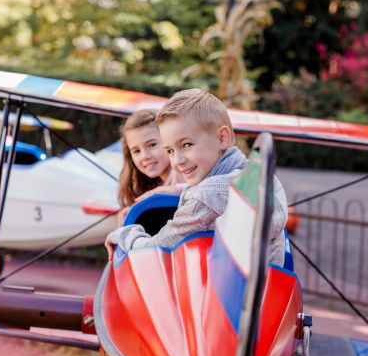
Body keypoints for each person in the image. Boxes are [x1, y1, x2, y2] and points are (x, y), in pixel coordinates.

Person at [105, 89, 288, 265]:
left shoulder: (203, 201)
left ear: (222, 138)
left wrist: (124, 234)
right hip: (269, 285)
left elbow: (156, 249)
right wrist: (177, 189)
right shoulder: (257, 176)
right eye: (170, 150)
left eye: (186, 144)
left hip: (225, 295)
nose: (177, 161)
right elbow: (220, 188)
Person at [116, 109, 185, 224]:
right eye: (136, 151)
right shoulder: (156, 183)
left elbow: (201, 190)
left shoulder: (180, 172)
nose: (145, 156)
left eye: (152, 145)